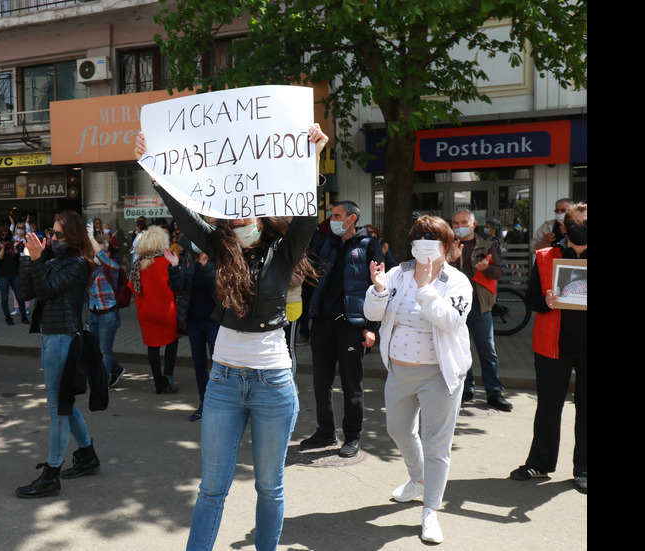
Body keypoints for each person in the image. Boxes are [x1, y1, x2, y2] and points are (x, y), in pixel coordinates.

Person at [135, 124, 326, 551]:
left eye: (248, 211)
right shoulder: (220, 249)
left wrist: (312, 158)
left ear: (262, 214)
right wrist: (155, 172)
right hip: (222, 383)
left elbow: (309, 215)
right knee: (211, 488)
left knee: (269, 487)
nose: (240, 218)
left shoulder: (284, 250)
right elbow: (186, 216)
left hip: (272, 384)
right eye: (234, 212)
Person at [363, 214, 473, 543]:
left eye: (432, 237)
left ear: (448, 246)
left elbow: (450, 322)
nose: (424, 242)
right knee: (398, 429)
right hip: (399, 370)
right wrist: (379, 290)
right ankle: (417, 479)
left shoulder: (456, 282)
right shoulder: (398, 273)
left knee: (437, 445)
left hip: (439, 374)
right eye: (418, 236)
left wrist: (426, 289)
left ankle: (430, 510)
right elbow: (373, 314)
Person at [16, 210, 102, 499]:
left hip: (62, 338)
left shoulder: (78, 263)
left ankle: (51, 475)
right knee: (64, 403)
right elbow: (27, 292)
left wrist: (38, 260)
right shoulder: (55, 261)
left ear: (74, 237)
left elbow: (47, 290)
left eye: (58, 234)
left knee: (58, 409)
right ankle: (88, 456)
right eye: (51, 233)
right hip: (52, 336)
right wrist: (28, 258)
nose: (52, 238)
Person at [510, 202, 587, 494]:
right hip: (552, 345)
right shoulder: (545, 257)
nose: (582, 228)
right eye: (577, 224)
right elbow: (530, 299)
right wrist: (546, 301)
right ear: (564, 227)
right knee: (548, 406)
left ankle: (584, 468)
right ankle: (539, 463)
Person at [301, 201, 383, 457]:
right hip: (323, 324)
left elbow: (381, 288)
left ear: (352, 218)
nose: (332, 219)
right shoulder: (325, 242)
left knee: (351, 384)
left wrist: (372, 327)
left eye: (337, 215)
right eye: (331, 215)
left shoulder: (369, 245)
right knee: (321, 381)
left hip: (352, 326)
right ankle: (325, 432)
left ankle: (352, 436)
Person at [449, 210, 513, 411]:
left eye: (464, 222)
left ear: (474, 224)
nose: (459, 226)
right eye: (456, 222)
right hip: (454, 306)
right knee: (460, 349)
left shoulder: (486, 245)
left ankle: (494, 392)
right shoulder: (447, 244)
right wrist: (450, 258)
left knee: (487, 350)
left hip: (479, 305)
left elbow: (498, 273)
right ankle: (465, 389)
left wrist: (485, 268)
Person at [129, 225, 182, 393]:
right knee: (172, 342)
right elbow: (178, 289)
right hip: (166, 311)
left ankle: (158, 381)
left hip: (146, 312)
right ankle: (168, 376)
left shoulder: (138, 265)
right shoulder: (166, 262)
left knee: (152, 346)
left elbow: (132, 288)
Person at [174, 235, 218, 422]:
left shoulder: (216, 260)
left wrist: (206, 265)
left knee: (218, 365)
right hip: (193, 322)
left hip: (214, 321)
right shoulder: (188, 261)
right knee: (199, 365)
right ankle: (204, 403)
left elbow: (218, 287)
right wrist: (174, 267)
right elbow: (177, 287)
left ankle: (220, 405)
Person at [87, 229, 123, 388]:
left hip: (108, 314)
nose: (96, 255)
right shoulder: (93, 269)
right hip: (94, 313)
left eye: (98, 252)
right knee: (94, 349)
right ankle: (117, 370)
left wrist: (91, 238)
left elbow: (101, 256)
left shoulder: (113, 267)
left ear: (106, 254)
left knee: (105, 350)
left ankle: (103, 381)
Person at [0, 223, 27, 325]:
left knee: (19, 295)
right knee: (4, 296)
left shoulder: (14, 244)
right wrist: (3, 248)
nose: (4, 236)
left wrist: (14, 248)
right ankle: (8, 317)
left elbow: (17, 258)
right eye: (2, 234)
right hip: (3, 275)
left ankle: (23, 315)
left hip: (14, 273)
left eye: (6, 234)